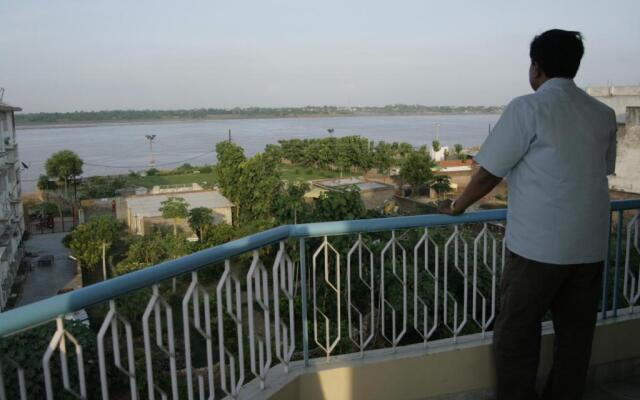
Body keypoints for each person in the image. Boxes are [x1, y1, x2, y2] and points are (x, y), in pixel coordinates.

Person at [440, 29, 617, 400]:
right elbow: (600, 169)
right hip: (589, 247)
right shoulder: (602, 114)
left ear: (536, 67)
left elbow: (489, 172)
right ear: (575, 64)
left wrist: (456, 206)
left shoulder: (528, 107)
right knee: (575, 339)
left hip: (537, 249)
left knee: (516, 334)